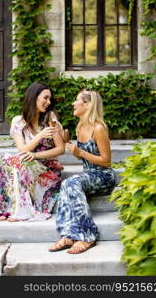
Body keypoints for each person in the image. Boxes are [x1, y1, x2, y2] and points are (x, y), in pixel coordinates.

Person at [49, 89, 116, 253]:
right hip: (89, 175)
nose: (73, 103)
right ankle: (68, 234)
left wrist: (81, 152)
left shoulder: (98, 128)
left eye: (76, 100)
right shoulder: (80, 127)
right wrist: (69, 144)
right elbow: (83, 157)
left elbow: (106, 161)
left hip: (103, 176)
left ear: (87, 105)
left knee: (71, 181)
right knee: (67, 183)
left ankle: (87, 234)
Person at [0, 82, 65, 222]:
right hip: (25, 166)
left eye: (50, 99)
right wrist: (40, 135)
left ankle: (17, 211)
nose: (48, 102)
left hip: (47, 171)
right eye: (45, 98)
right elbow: (23, 150)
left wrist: (36, 155)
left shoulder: (50, 118)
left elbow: (60, 149)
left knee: (17, 162)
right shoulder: (18, 121)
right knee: (7, 159)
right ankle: (12, 209)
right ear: (34, 97)